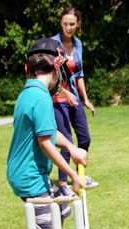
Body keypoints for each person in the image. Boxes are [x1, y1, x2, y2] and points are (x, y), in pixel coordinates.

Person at [7, 38, 87, 229]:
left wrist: (72, 147)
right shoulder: (41, 97)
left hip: (26, 173)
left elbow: (50, 133)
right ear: (57, 69)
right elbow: (45, 144)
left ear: (27, 69)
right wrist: (72, 175)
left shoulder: (27, 93)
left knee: (61, 210)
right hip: (30, 176)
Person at [51, 6, 99, 194]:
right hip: (57, 98)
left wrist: (85, 99)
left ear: (78, 24)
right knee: (67, 141)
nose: (68, 28)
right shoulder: (53, 44)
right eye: (65, 24)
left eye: (72, 24)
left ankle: (80, 174)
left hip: (75, 98)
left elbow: (79, 74)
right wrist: (65, 93)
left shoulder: (78, 44)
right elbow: (51, 76)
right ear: (61, 24)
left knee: (84, 138)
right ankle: (63, 185)